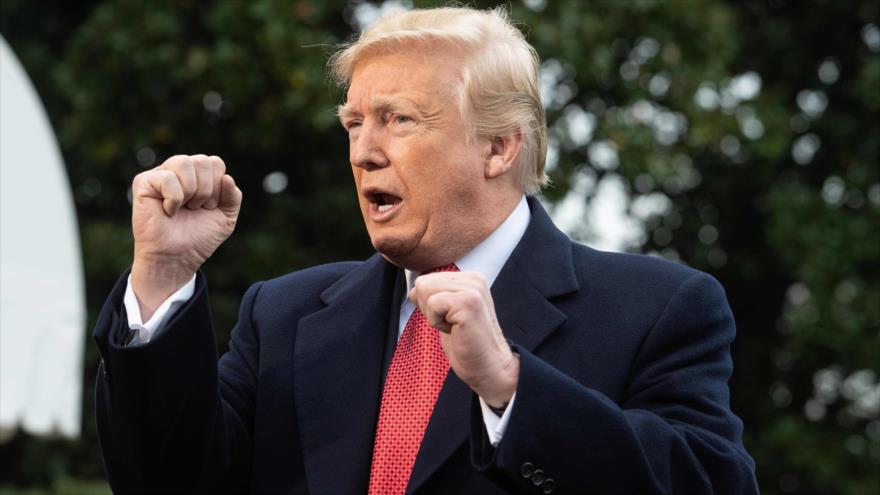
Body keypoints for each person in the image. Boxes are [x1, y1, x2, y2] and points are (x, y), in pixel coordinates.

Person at [93, 6, 758, 494]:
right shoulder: (284, 316)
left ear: (500, 146)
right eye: (354, 122)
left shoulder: (659, 308)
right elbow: (164, 481)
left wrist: (509, 387)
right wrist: (162, 276)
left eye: (398, 119)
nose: (363, 150)